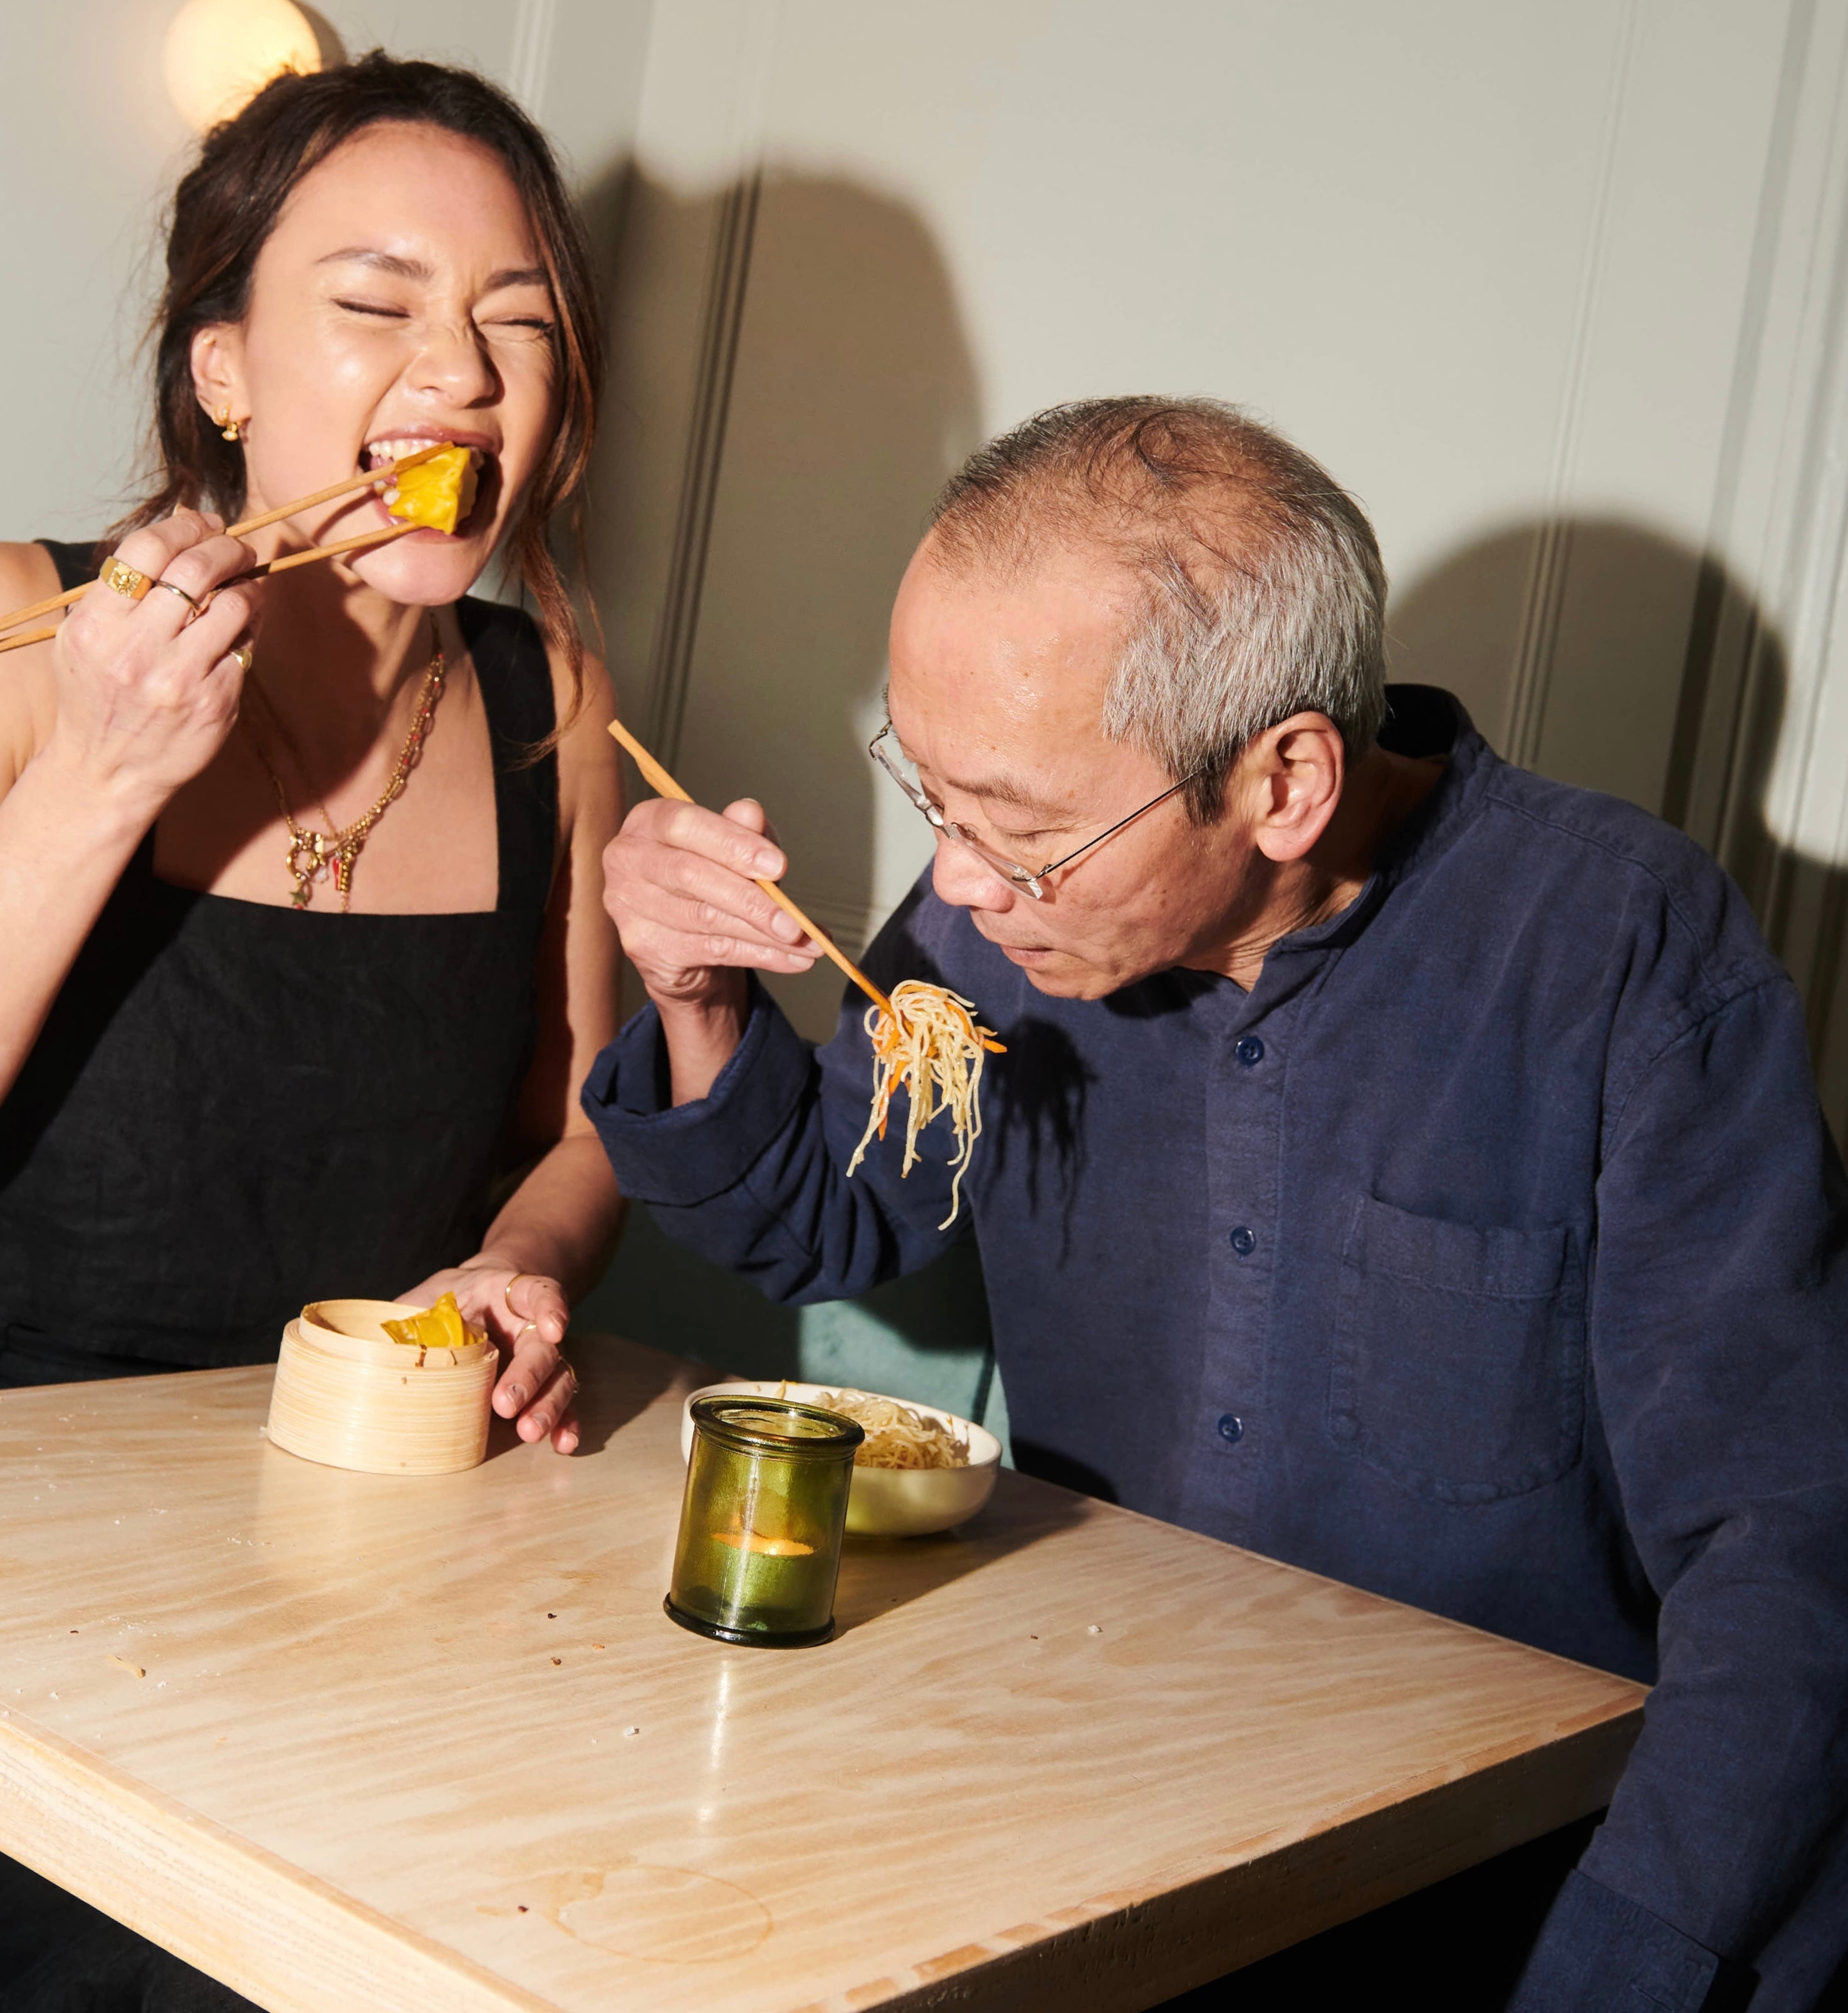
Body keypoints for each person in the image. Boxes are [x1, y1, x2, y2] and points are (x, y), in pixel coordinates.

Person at [587, 397, 1848, 2011]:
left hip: (1491, 1889)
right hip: (1087, 1805)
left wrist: (1625, 1969)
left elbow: (1789, 1549)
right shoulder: (1008, 915)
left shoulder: (1618, 949)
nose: (956, 883)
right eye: (931, 797)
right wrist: (693, 992)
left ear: (1287, 781)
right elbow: (820, 1218)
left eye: (1021, 832)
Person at [0, 53, 625, 2010]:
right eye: (375, 304)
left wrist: (519, 1265)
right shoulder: (4, 629)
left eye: (515, 322)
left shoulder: (557, 697)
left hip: (372, 1527)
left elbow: (588, 1125)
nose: (459, 375)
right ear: (225, 372)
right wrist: (98, 780)